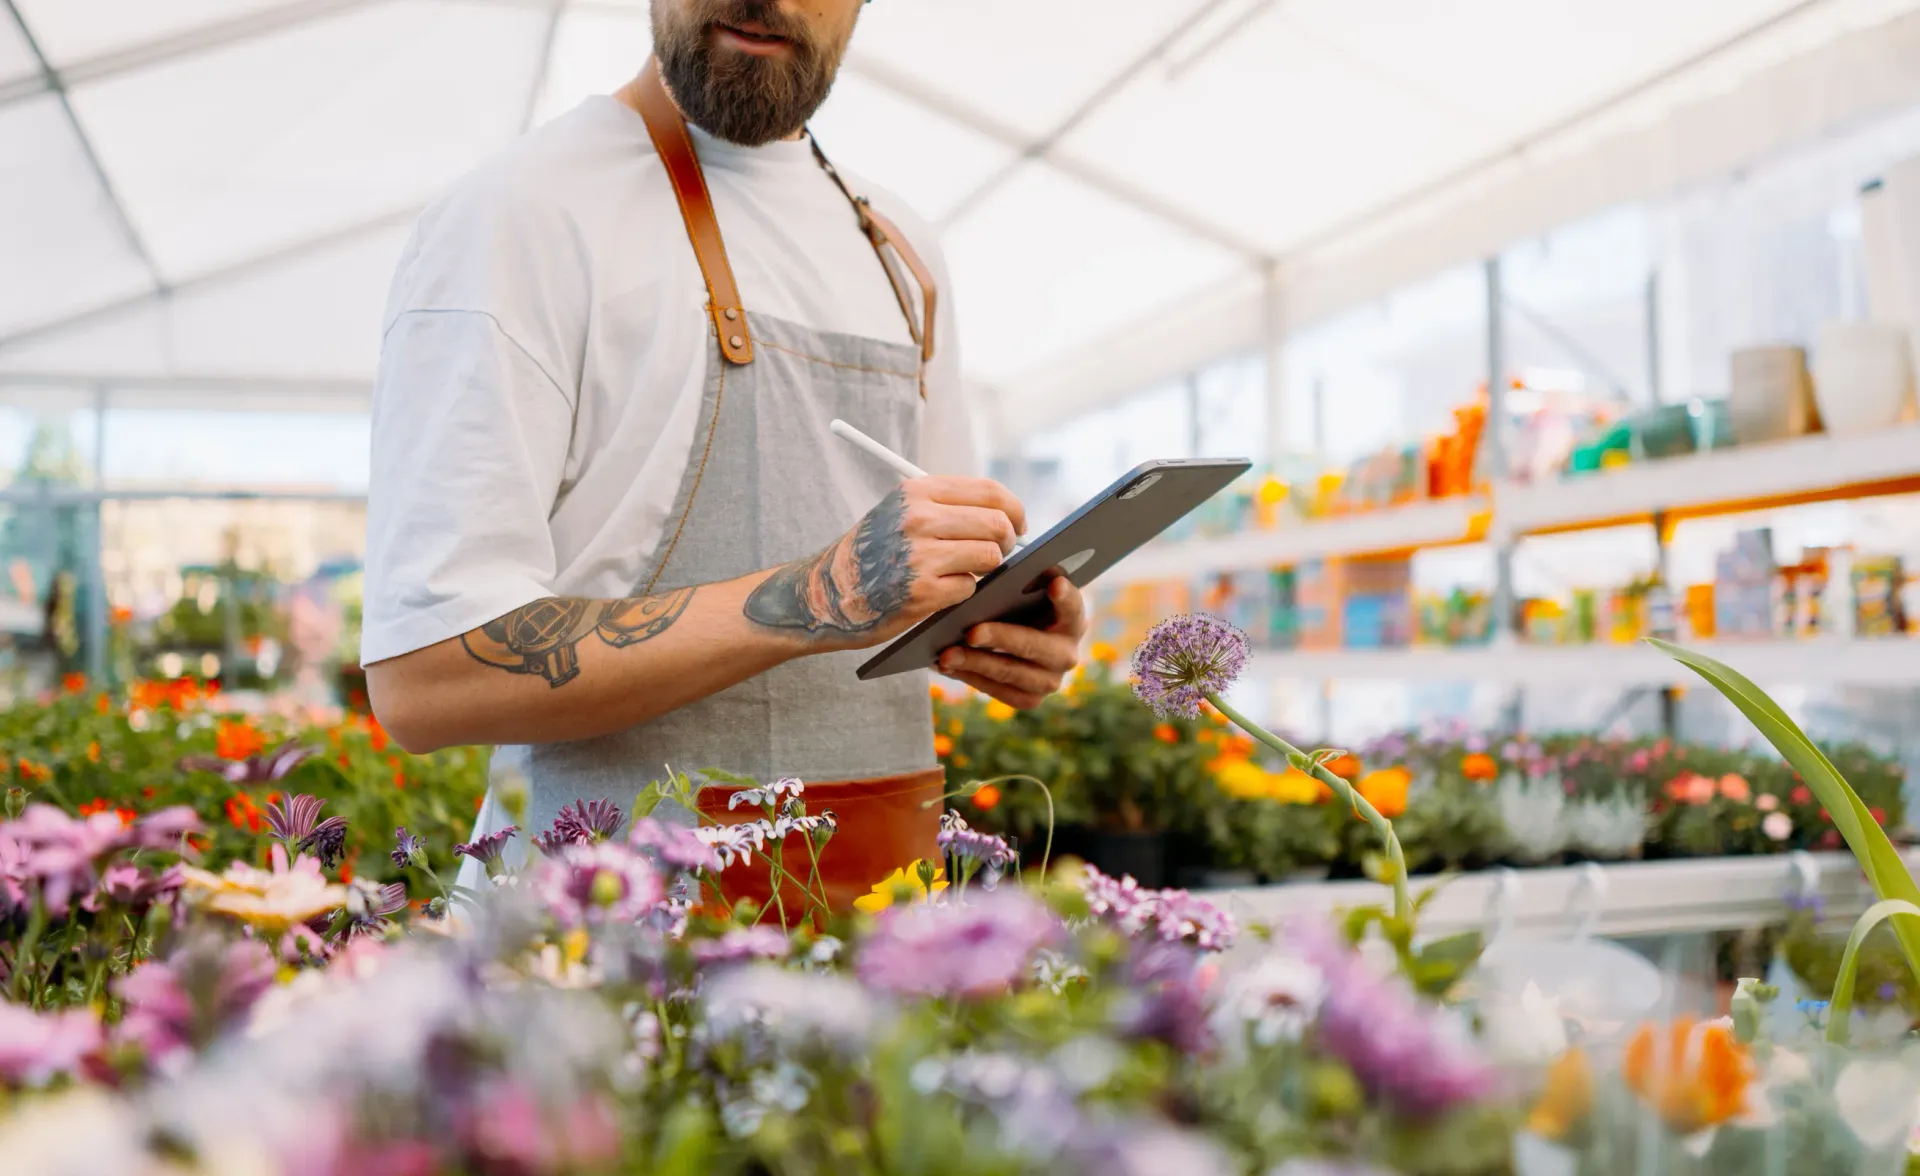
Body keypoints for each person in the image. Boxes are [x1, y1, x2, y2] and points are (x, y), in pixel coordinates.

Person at [360, 0, 1087, 909]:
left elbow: (913, 581)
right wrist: (817, 595)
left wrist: (1000, 624)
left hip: (878, 930)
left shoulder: (898, 249)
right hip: (603, 966)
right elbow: (424, 681)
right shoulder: (521, 217)